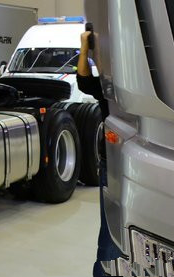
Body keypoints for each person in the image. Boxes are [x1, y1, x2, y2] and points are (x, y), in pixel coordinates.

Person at [75, 31, 121, 276]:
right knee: (111, 233)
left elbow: (84, 80)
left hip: (117, 163)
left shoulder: (115, 85)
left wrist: (86, 47)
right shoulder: (112, 85)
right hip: (114, 164)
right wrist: (85, 48)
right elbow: (84, 81)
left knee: (114, 231)